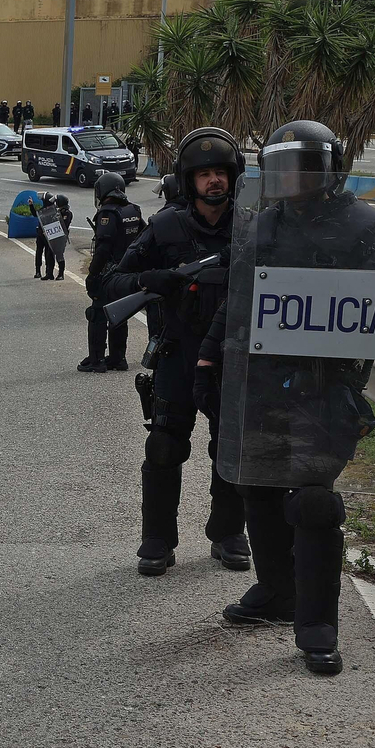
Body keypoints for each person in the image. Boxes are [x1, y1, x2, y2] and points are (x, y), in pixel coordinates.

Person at [198, 120, 375, 675]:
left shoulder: (365, 227)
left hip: (326, 387)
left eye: (305, 165)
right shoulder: (262, 226)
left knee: (313, 501)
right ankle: (277, 592)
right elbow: (238, 297)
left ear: (330, 167)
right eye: (283, 165)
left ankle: (317, 624)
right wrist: (211, 352)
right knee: (257, 487)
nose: (293, 177)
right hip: (259, 382)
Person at [104, 127, 249, 577]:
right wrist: (149, 281)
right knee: (164, 447)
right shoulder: (164, 228)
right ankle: (158, 539)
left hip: (234, 359)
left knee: (232, 448)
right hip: (177, 354)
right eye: (203, 174)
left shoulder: (253, 228)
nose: (213, 182)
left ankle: (227, 532)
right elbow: (107, 281)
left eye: (220, 173)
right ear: (189, 181)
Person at [80, 174, 144, 373]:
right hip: (128, 271)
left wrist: (92, 274)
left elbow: (103, 250)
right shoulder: (132, 210)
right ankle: (118, 358)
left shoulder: (107, 213)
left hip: (109, 271)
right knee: (119, 313)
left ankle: (96, 359)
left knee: (97, 313)